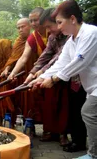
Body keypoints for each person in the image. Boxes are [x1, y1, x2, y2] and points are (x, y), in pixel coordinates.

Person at [30, 0, 96, 159]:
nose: (58, 27)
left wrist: (53, 79)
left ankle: (93, 154)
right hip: (92, 87)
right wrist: (40, 78)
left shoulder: (91, 33)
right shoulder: (72, 41)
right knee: (89, 114)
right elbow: (61, 63)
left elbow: (80, 60)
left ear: (72, 19)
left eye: (60, 22)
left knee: (87, 113)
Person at [24, 8, 69, 145]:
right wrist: (32, 73)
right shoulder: (52, 37)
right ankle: (51, 132)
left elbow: (59, 57)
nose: (48, 30)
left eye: (50, 26)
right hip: (49, 75)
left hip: (65, 74)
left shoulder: (68, 35)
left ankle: (63, 134)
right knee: (49, 104)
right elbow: (46, 55)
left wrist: (42, 72)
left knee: (63, 105)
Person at [8, 7, 48, 123]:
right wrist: (13, 73)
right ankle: (49, 131)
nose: (34, 23)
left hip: (55, 70)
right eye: (32, 21)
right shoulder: (33, 37)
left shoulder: (52, 31)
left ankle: (62, 134)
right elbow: (23, 57)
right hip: (39, 71)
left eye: (36, 20)